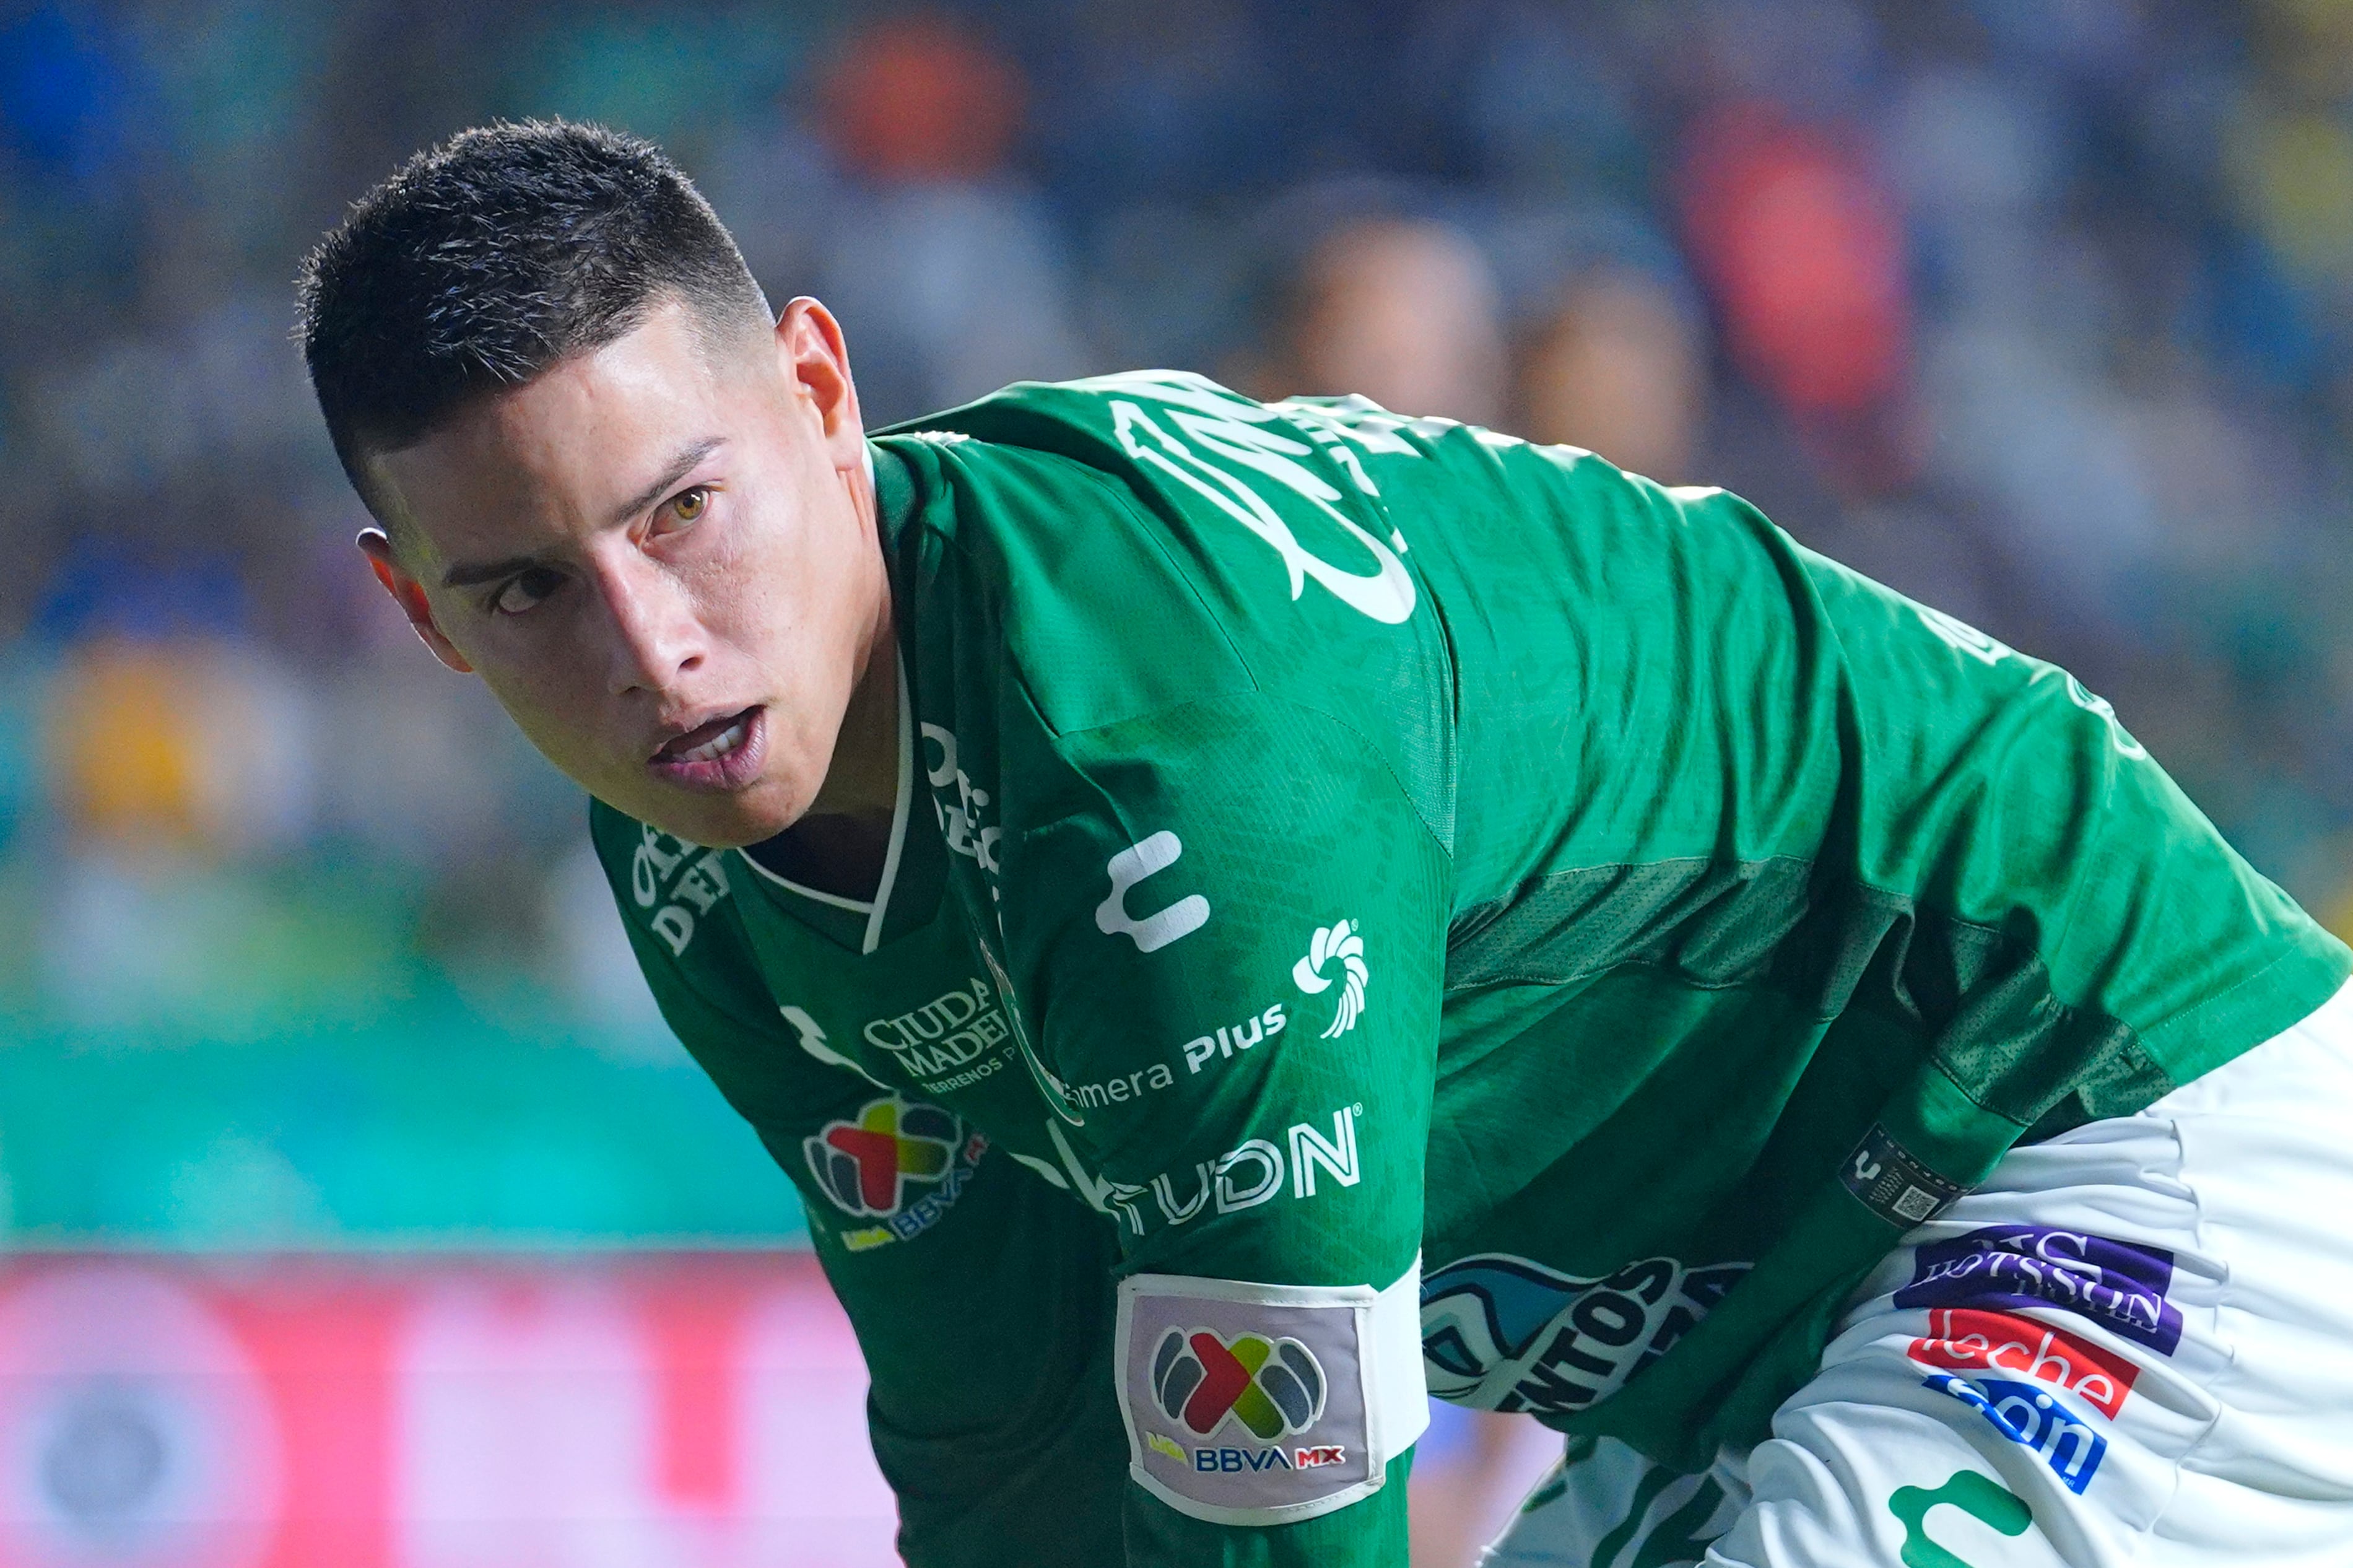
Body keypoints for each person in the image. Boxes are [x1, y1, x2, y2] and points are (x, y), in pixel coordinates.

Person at [297, 122, 2353, 1568]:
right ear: (420, 615)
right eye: (529, 592)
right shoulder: (697, 866)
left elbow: (1273, 1491)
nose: (654, 653)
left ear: (823, 390)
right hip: (1768, 1307)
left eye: (683, 511)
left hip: (2085, 1120)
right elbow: (1004, 1434)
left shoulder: (1160, 752)